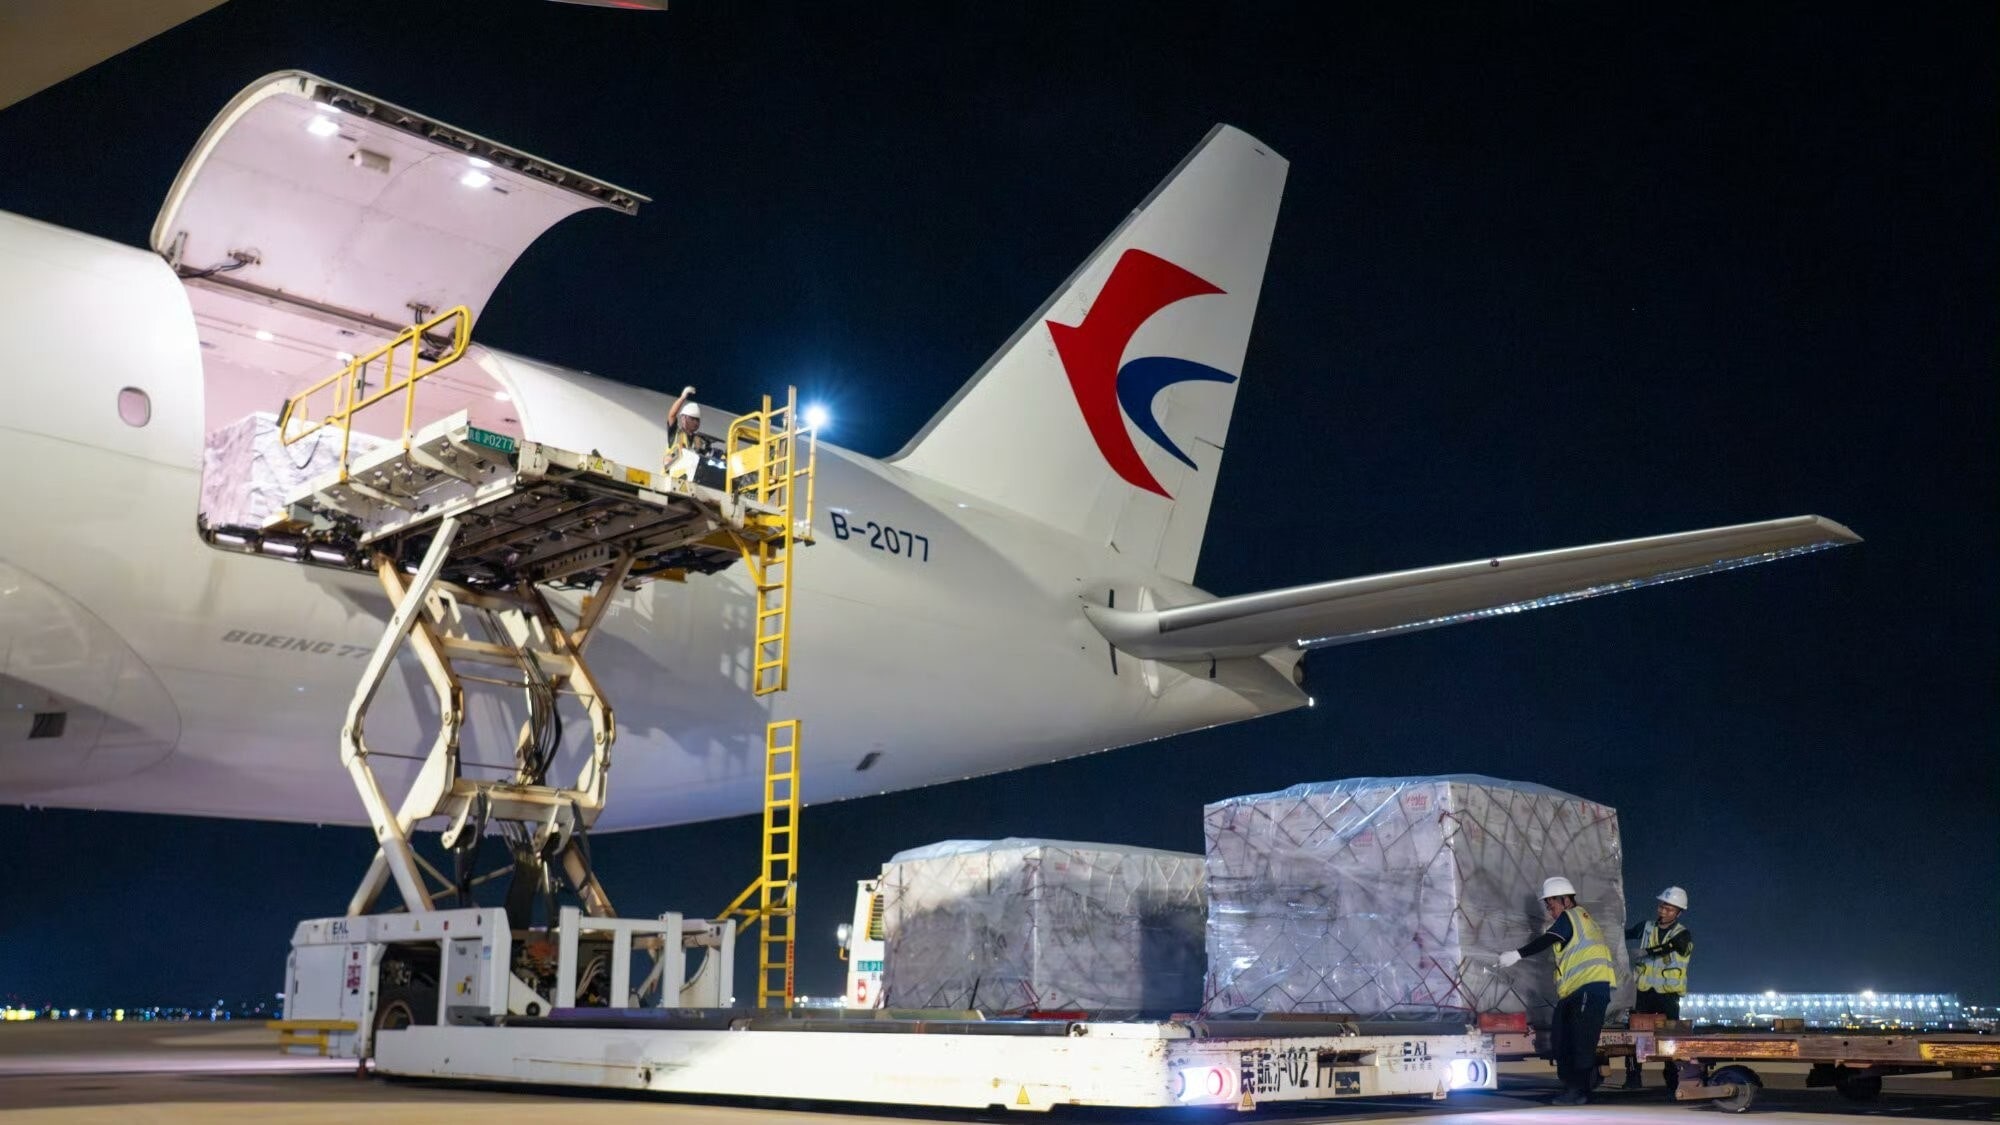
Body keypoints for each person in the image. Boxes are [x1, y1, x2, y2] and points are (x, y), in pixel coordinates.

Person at [1499, 875, 1618, 1105]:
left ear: (1565, 900)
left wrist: (1517, 954)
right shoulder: (1583, 919)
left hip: (1588, 988)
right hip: (1578, 990)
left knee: (1578, 1042)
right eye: (1547, 906)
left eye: (1551, 904)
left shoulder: (1570, 917)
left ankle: (1577, 1091)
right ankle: (1577, 1086)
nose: (1549, 910)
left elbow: (1549, 938)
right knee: (1561, 1037)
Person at [1624, 886, 1693, 1088]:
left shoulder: (1683, 934)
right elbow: (1624, 934)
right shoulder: (1646, 927)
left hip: (1668, 995)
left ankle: (1672, 1079)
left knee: (1671, 1038)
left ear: (1679, 913)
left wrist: (1645, 952)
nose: (1664, 911)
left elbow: (1668, 947)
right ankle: (1633, 1076)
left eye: (1669, 909)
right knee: (1636, 1036)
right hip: (1643, 991)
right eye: (1662, 906)